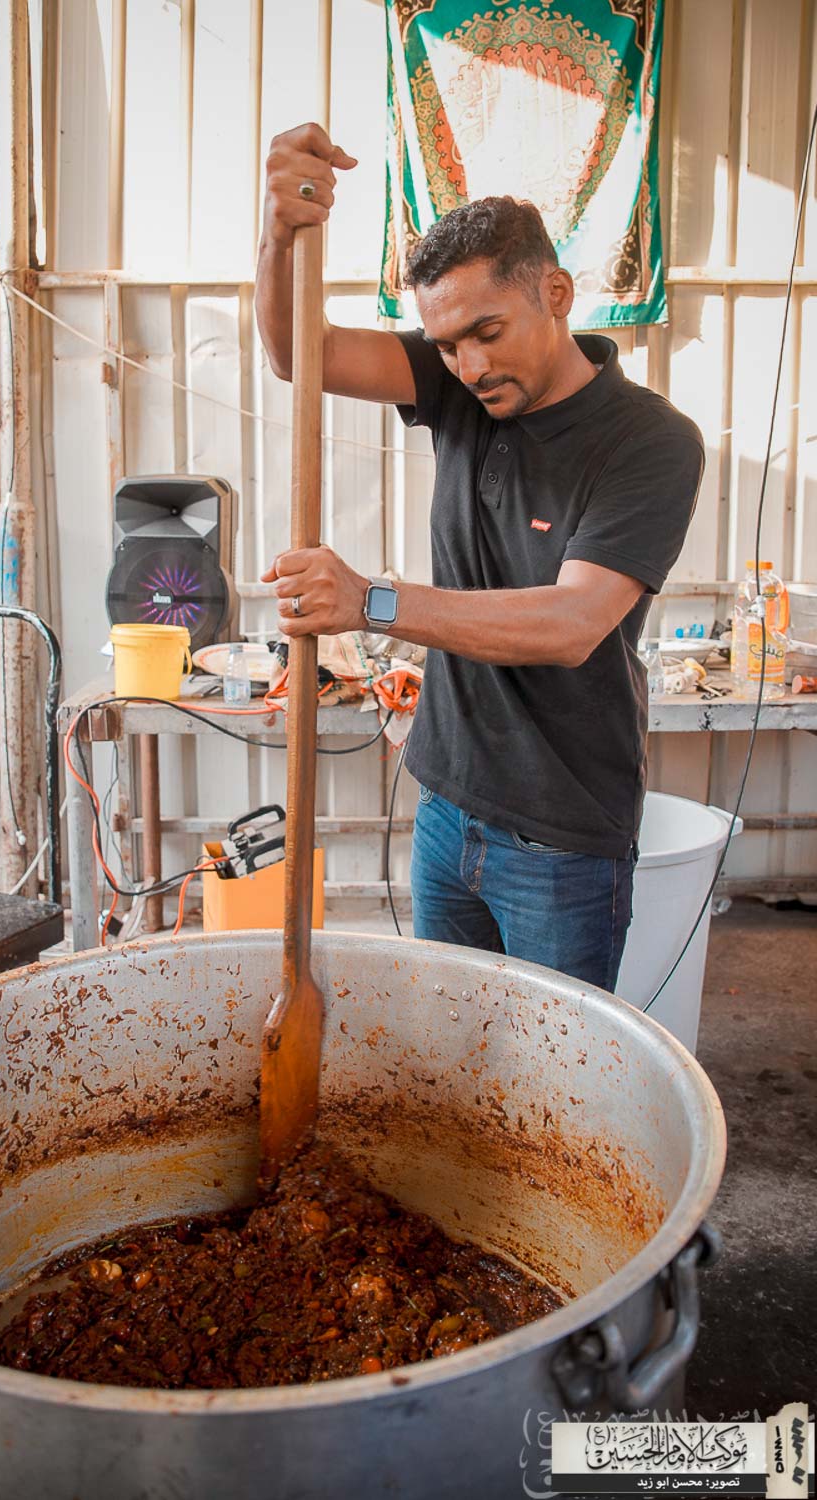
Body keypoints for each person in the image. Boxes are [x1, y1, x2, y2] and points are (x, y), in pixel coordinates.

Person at [255, 123, 704, 991]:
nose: (467, 365)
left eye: (487, 332)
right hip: (446, 801)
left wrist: (372, 601)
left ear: (556, 293)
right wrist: (277, 234)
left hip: (560, 835)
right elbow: (297, 354)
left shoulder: (649, 440)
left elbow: (572, 624)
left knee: (550, 1064)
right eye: (446, 343)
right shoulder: (461, 385)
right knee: (449, 1051)